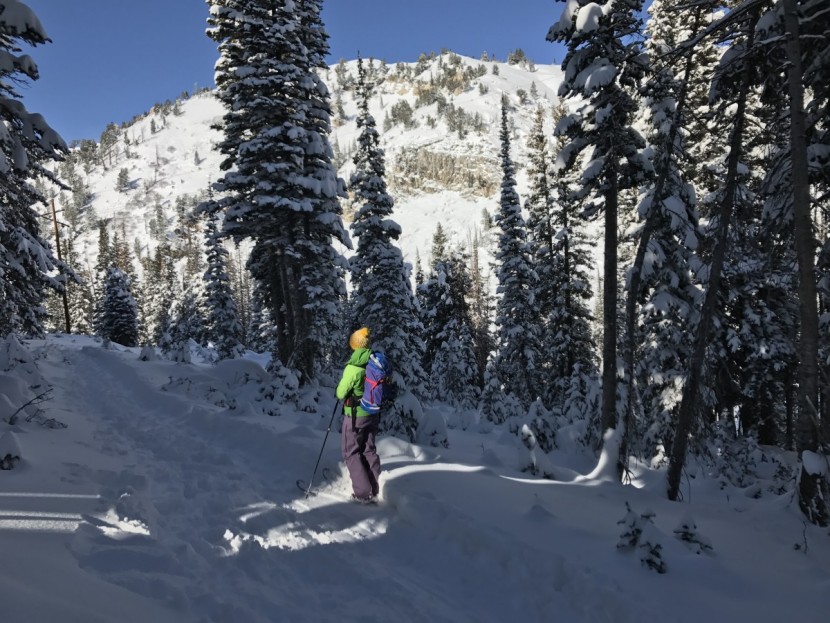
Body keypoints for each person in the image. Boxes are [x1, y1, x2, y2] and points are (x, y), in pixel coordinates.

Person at [336, 327, 381, 502]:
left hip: (355, 416)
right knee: (369, 449)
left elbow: (340, 393)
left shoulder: (353, 367)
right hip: (373, 413)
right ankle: (377, 486)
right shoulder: (374, 361)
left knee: (351, 452)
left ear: (354, 345)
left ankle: (363, 493)